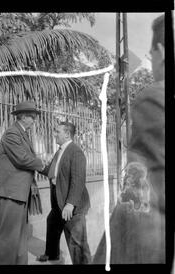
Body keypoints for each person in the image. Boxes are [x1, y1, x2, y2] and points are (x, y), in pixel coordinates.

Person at [93, 14, 165, 264]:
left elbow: (143, 197)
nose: (151, 60)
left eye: (151, 54)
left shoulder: (155, 98)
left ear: (162, 51)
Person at [0, 101, 45, 265]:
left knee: (20, 236)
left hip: (19, 192)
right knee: (10, 238)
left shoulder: (21, 133)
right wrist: (44, 165)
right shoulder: (12, 134)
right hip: (12, 192)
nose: (34, 120)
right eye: (32, 116)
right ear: (22, 117)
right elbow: (22, 159)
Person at [37, 121, 91, 264]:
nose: (54, 134)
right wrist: (34, 164)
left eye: (57, 132)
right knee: (52, 223)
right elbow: (51, 171)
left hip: (72, 204)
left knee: (76, 241)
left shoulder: (76, 152)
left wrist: (70, 204)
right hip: (58, 199)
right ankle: (52, 255)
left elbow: (78, 180)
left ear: (67, 134)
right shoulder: (60, 151)